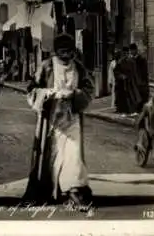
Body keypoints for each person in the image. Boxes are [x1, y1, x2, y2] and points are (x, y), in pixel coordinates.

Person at [24, 33, 94, 211]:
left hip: (72, 118)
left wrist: (75, 94)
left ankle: (73, 189)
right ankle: (50, 190)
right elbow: (32, 89)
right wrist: (48, 94)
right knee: (52, 156)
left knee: (73, 154)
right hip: (51, 120)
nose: (66, 56)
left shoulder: (78, 67)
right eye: (62, 52)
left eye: (69, 52)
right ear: (56, 52)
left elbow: (88, 88)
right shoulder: (46, 66)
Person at [114, 47, 141, 116]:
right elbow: (116, 71)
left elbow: (135, 72)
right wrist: (121, 76)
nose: (126, 54)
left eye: (127, 53)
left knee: (132, 97)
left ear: (128, 53)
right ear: (123, 54)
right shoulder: (120, 62)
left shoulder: (132, 61)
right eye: (124, 53)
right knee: (124, 98)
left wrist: (136, 81)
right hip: (123, 83)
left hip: (131, 82)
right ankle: (124, 112)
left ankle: (133, 111)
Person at [129, 43, 149, 112]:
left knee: (142, 101)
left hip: (141, 84)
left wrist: (143, 82)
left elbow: (144, 72)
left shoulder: (142, 59)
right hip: (133, 83)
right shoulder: (130, 60)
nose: (131, 52)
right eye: (130, 50)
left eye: (132, 50)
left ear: (136, 50)